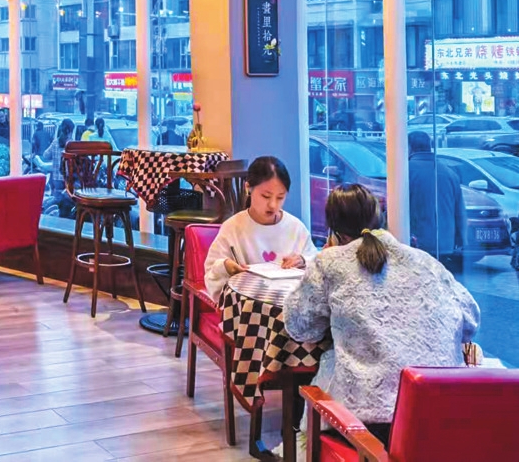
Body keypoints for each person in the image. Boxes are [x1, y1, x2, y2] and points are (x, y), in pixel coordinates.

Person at [284, 184, 480, 446]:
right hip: (445, 416)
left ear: (334, 232)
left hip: (367, 428)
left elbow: (299, 326)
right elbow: (471, 320)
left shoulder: (329, 262)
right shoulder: (426, 261)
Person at [203, 156, 317, 300]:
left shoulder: (295, 228)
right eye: (266, 196)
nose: (273, 205)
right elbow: (211, 274)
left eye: (280, 197)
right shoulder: (233, 228)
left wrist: (303, 260)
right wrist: (226, 266)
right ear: (248, 188)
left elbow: (318, 264)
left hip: (290, 307)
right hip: (248, 309)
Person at [407, 130, 465, 271]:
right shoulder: (449, 172)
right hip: (445, 245)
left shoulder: (405, 171)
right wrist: (461, 239)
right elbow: (459, 212)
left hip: (416, 243)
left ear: (409, 147)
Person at [36, 118, 74, 191]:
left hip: (56, 178)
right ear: (70, 131)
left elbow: (45, 155)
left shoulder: (55, 142)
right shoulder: (72, 144)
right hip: (69, 178)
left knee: (57, 195)